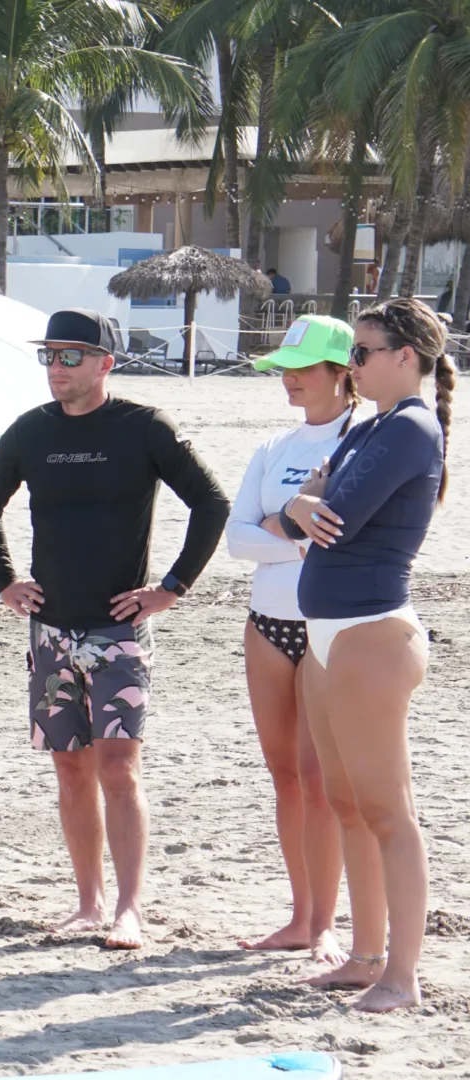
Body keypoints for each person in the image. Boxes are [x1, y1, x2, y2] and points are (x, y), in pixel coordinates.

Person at [0, 308, 230, 950]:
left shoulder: (143, 427)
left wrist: (170, 589)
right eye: (49, 357)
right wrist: (5, 582)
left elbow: (212, 502)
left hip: (119, 634)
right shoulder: (31, 431)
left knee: (119, 769)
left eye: (71, 356)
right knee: (71, 772)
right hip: (51, 632)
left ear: (105, 363)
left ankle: (130, 909)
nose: (57, 368)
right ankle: (89, 903)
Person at [282, 297, 449, 1012]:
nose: (351, 365)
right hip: (333, 635)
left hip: (371, 635)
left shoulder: (410, 428)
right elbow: (304, 507)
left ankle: (401, 977)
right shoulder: (372, 426)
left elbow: (334, 515)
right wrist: (300, 506)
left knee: (388, 811)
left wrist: (304, 506)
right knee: (346, 802)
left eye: (362, 351)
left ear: (404, 357)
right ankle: (365, 956)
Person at [228, 316, 355, 961]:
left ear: (344, 370)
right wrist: (295, 530)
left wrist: (280, 535)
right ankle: (301, 917)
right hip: (265, 624)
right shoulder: (273, 449)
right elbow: (236, 541)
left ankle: (326, 923)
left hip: (328, 627)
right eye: (285, 367)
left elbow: (340, 537)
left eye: (304, 367)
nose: (290, 378)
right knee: (284, 775)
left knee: (318, 774)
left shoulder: (362, 441)